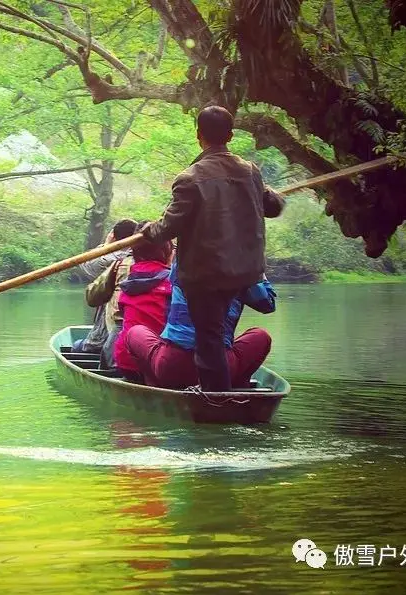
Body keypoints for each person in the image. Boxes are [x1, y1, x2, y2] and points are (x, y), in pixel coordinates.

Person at [140, 105, 284, 391]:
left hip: (205, 276)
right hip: (245, 271)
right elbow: (274, 206)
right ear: (230, 136)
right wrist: (267, 191)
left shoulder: (190, 178)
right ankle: (223, 389)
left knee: (209, 341)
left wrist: (147, 230)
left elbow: (167, 228)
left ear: (198, 136)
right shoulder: (250, 172)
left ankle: (217, 399)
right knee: (217, 335)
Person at [126, 258, 276, 389]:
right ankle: (235, 389)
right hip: (221, 367)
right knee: (261, 336)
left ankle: (155, 386)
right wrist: (256, 268)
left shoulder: (182, 262)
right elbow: (268, 304)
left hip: (172, 364)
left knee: (135, 332)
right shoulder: (243, 271)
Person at [113, 223, 174, 381]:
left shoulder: (129, 279)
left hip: (125, 362)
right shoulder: (174, 281)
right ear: (167, 252)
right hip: (159, 363)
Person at [72, 219, 137, 353]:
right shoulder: (147, 257)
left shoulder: (115, 260)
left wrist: (107, 245)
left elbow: (85, 265)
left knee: (77, 346)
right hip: (133, 336)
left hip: (105, 338)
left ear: (113, 236)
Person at [85, 252, 133, 368]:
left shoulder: (120, 263)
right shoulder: (172, 268)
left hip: (109, 340)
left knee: (77, 346)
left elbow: (91, 297)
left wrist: (106, 245)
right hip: (118, 340)